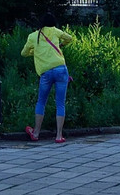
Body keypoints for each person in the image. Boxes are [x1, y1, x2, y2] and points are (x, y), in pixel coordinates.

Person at [21, 12, 73, 143]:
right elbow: (69, 38)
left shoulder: (33, 36)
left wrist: (35, 51)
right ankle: (59, 136)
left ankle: (36, 133)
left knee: (41, 102)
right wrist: (61, 45)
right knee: (60, 103)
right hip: (61, 69)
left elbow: (24, 53)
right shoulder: (55, 32)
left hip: (46, 73)